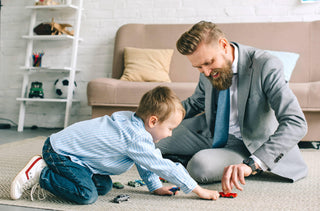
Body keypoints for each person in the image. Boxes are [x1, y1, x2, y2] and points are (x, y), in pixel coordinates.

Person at [156, 21, 308, 194]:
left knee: (199, 167)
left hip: (248, 143)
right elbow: (196, 102)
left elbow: (296, 123)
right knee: (153, 138)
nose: (205, 72)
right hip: (212, 132)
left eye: (208, 63)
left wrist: (253, 164)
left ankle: (212, 160)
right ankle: (193, 156)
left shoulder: (266, 65)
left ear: (223, 44)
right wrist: (154, 118)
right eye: (198, 67)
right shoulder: (208, 69)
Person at [10, 86, 220, 204]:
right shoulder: (134, 137)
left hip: (79, 158)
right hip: (60, 152)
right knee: (87, 195)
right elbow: (161, 165)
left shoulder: (135, 124)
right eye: (170, 128)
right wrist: (197, 189)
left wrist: (155, 186)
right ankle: (41, 173)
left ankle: (51, 171)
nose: (170, 134)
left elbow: (145, 162)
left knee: (104, 186)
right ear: (153, 121)